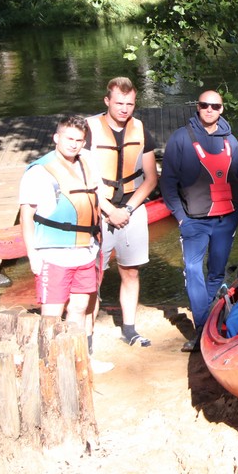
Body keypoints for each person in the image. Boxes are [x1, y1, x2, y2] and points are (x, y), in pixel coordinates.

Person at [19, 115, 113, 372]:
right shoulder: (39, 171)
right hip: (53, 253)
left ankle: (79, 362)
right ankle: (48, 367)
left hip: (85, 251)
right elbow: (26, 216)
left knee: (80, 307)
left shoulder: (87, 162)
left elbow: (97, 197)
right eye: (69, 138)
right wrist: (33, 255)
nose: (74, 144)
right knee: (52, 313)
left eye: (79, 140)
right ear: (56, 138)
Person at [160, 91, 238, 352]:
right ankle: (202, 327)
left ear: (222, 109)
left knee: (217, 273)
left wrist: (237, 214)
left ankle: (208, 319)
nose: (209, 109)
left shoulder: (231, 140)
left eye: (215, 106)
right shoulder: (180, 138)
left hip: (225, 220)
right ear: (197, 107)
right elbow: (167, 182)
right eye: (204, 105)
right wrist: (181, 217)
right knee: (192, 270)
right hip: (193, 221)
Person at [85, 77, 158, 348]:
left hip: (131, 208)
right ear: (107, 101)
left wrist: (127, 209)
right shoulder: (89, 129)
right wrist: (109, 210)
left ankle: (129, 329)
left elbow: (150, 178)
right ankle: (87, 336)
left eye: (129, 104)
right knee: (94, 275)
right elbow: (80, 177)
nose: (124, 109)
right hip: (98, 208)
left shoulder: (140, 130)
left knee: (131, 271)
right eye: (119, 103)